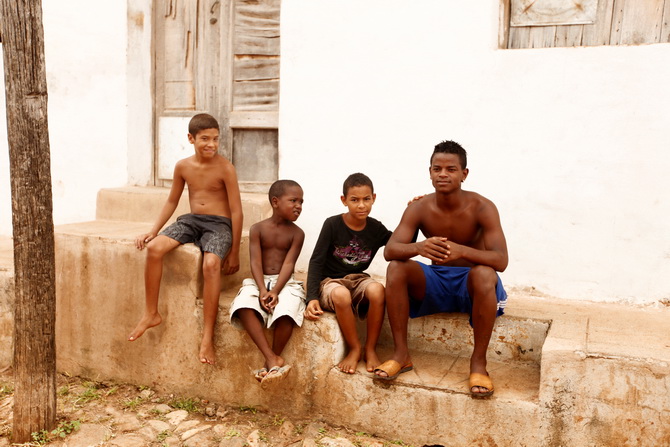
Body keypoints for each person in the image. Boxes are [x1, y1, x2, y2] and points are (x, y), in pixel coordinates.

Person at [374, 140, 508, 399]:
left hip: (472, 282)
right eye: (437, 169)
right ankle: (401, 355)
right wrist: (419, 247)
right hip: (438, 280)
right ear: (430, 172)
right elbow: (390, 250)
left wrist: (463, 251)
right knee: (396, 269)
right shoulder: (419, 207)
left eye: (451, 169)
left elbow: (501, 260)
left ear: (464, 174)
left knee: (484, 273)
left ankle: (478, 364)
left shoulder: (483, 207)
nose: (443, 174)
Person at [128, 113, 243, 366]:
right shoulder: (183, 166)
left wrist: (234, 251)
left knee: (211, 264)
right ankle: (151, 313)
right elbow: (172, 200)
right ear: (191, 138)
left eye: (215, 139)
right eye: (205, 139)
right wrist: (154, 230)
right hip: (192, 220)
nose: (211, 144)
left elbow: (236, 210)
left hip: (219, 224)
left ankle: (207, 337)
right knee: (155, 248)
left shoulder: (225, 168)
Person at [304, 173, 392, 374]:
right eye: (355, 200)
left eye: (366, 199)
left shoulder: (375, 228)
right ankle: (354, 348)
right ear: (344, 201)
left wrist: (413, 213)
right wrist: (312, 297)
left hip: (357, 280)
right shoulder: (332, 224)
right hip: (330, 282)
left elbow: (400, 241)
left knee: (378, 290)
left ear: (374, 198)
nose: (361, 205)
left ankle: (370, 349)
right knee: (341, 294)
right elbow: (316, 261)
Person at [229, 180, 305, 388]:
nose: (299, 205)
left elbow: (289, 263)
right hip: (259, 280)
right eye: (293, 200)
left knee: (287, 310)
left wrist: (277, 290)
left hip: (285, 282)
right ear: (275, 202)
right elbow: (255, 261)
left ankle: (272, 360)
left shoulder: (297, 233)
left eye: (301, 201)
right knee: (244, 305)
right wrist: (262, 289)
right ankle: (272, 358)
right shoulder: (257, 229)